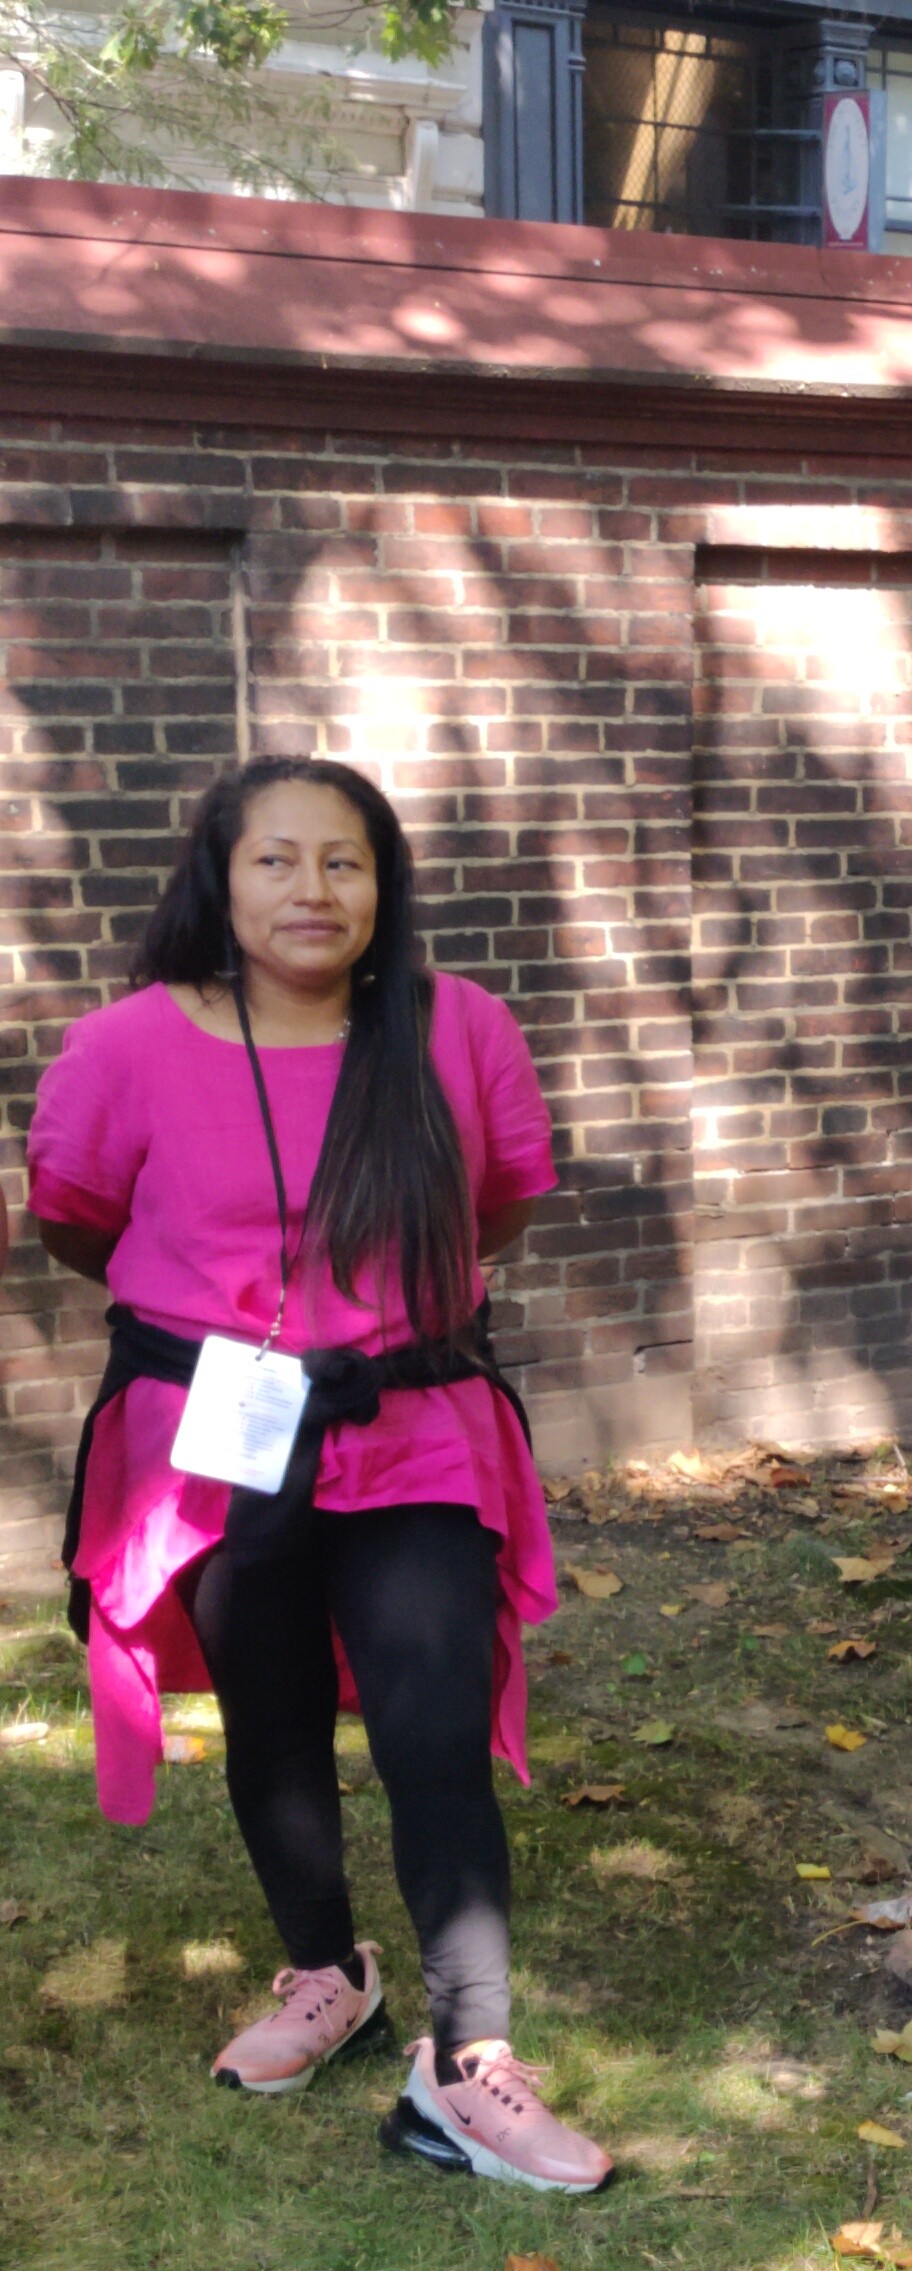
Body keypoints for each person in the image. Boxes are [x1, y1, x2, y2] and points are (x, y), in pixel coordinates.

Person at [30, 757, 604, 2191]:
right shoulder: (122, 1049)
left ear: (383, 884)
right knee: (271, 1719)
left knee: (432, 1728)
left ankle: (469, 2066)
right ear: (218, 880)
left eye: (343, 862)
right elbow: (78, 1217)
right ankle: (322, 1975)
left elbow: (504, 1200)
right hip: (222, 1440)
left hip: (415, 1425)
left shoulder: (455, 1028)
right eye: (277, 860)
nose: (313, 890)